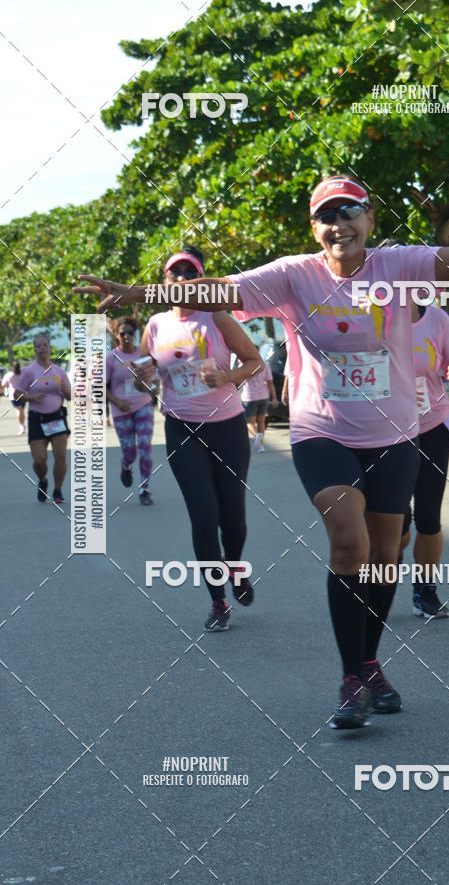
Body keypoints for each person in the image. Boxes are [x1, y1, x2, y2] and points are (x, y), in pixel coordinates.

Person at [76, 176, 449, 728]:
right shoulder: (293, 275)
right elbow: (218, 289)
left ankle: (369, 662)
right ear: (314, 229)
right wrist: (139, 295)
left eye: (349, 212)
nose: (338, 224)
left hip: (395, 435)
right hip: (320, 431)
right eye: (326, 215)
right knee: (349, 539)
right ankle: (352, 678)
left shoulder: (398, 268)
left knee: (383, 556)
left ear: (370, 220)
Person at [131, 247, 264, 630]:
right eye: (175, 273)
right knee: (204, 518)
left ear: (201, 281)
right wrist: (142, 379)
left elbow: (253, 361)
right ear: (165, 280)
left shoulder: (217, 317)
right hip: (182, 429)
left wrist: (226, 378)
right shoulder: (155, 325)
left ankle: (235, 567)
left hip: (227, 427)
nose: (182, 279)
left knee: (233, 522)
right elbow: (146, 373)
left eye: (191, 273)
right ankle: (218, 602)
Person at [401, 297, 449, 619]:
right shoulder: (366, 321)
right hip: (384, 431)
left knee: (428, 516)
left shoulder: (437, 320)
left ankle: (426, 592)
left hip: (431, 424)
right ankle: (382, 581)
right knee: (395, 522)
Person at [106, 316, 158, 505]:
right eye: (123, 333)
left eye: (130, 333)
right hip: (122, 410)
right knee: (130, 452)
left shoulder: (143, 355)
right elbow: (101, 386)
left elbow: (155, 382)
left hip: (143, 405)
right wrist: (118, 402)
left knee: (145, 447)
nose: (127, 336)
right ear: (116, 336)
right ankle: (126, 465)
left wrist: (154, 390)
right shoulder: (111, 358)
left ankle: (144, 489)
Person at [14, 335, 71, 503]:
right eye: (38, 346)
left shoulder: (59, 371)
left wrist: (69, 392)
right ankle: (43, 480)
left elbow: (69, 394)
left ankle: (58, 490)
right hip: (37, 419)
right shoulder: (30, 371)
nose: (42, 348)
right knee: (39, 460)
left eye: (45, 345)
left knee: (60, 456)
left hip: (57, 417)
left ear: (50, 348)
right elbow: (17, 394)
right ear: (35, 350)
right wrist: (31, 398)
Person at [241, 358, 278, 452]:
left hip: (249, 397)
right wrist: (274, 398)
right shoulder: (264, 366)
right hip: (263, 397)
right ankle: (260, 446)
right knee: (261, 422)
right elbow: (270, 383)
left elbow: (238, 382)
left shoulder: (243, 366)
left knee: (249, 422)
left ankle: (257, 436)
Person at [2, 361, 26, 434]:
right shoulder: (23, 374)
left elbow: (3, 385)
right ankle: (22, 425)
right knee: (21, 410)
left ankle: (21, 426)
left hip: (13, 395)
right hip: (23, 394)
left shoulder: (9, 375)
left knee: (18, 410)